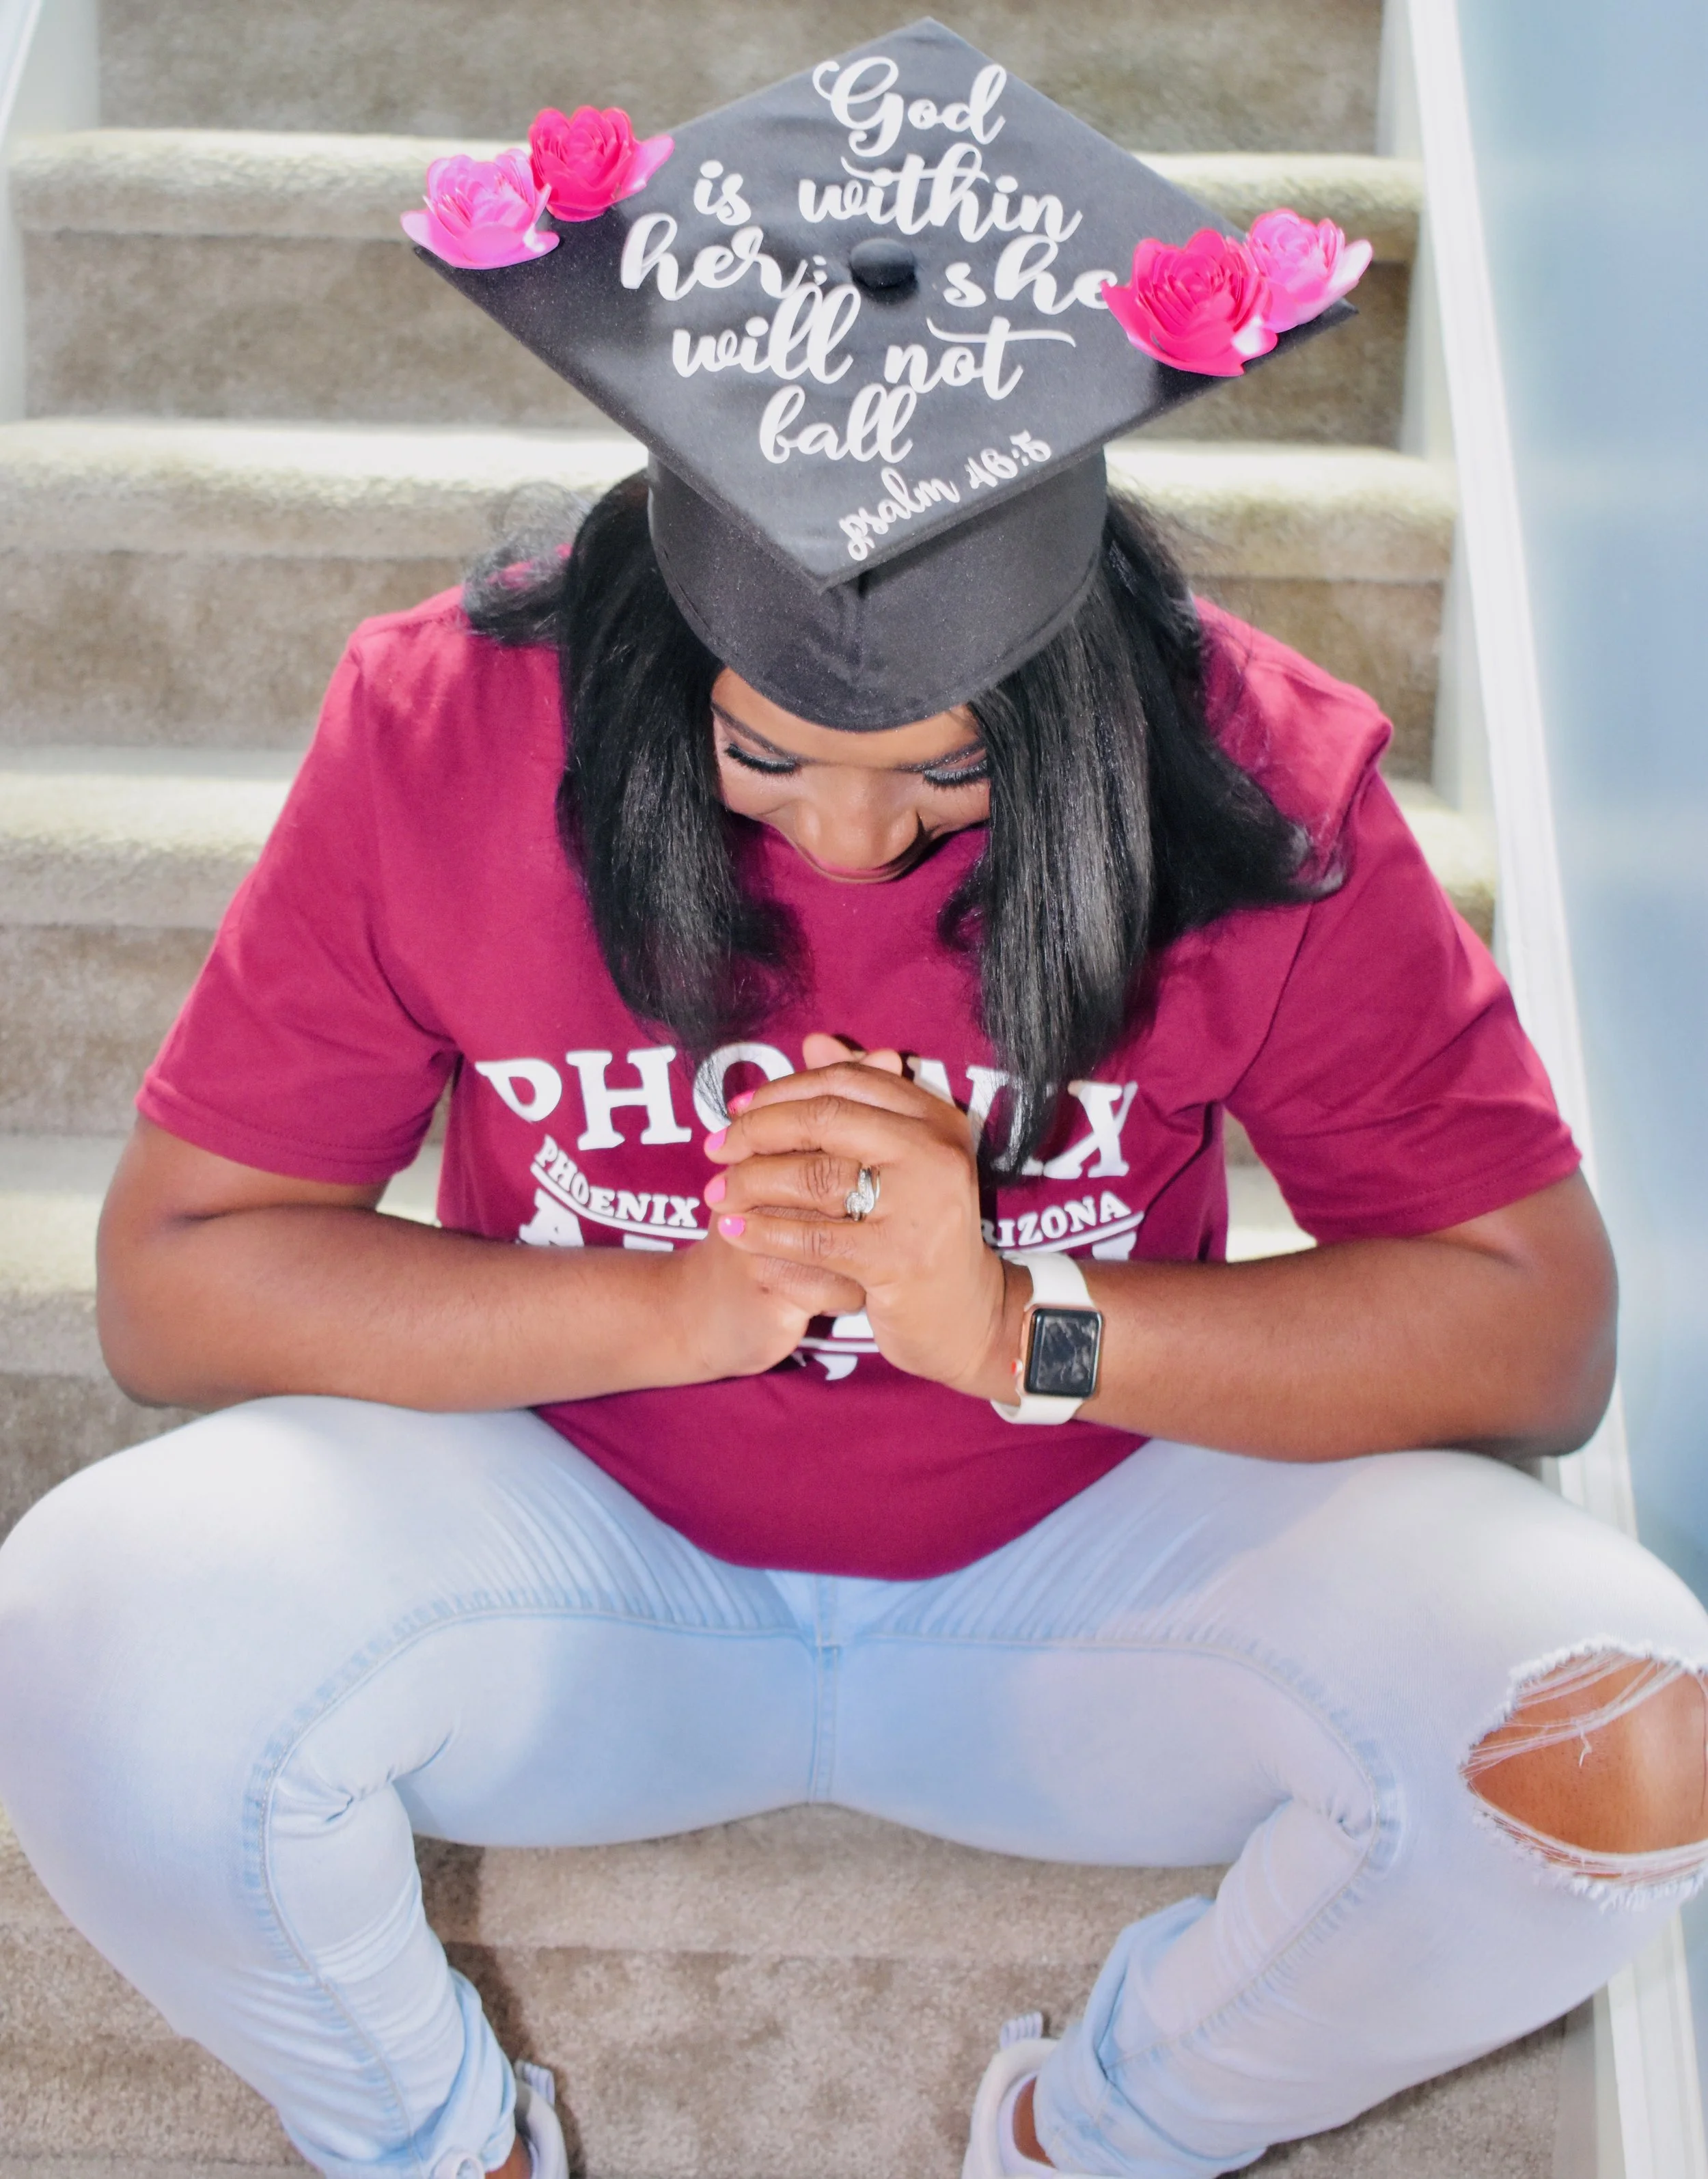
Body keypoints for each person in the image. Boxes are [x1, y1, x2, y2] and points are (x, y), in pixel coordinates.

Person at [3, 23, 1707, 2179]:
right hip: (574, 1562)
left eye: (946, 774)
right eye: (764, 759)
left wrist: (1016, 1323)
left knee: (1613, 1726)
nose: (844, 849)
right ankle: (444, 2145)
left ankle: (1094, 2132)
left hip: (1086, 1578)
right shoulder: (441, 723)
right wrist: (679, 1302)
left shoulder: (1260, 771)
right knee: (86, 1621)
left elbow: (1534, 1331)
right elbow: (174, 1282)